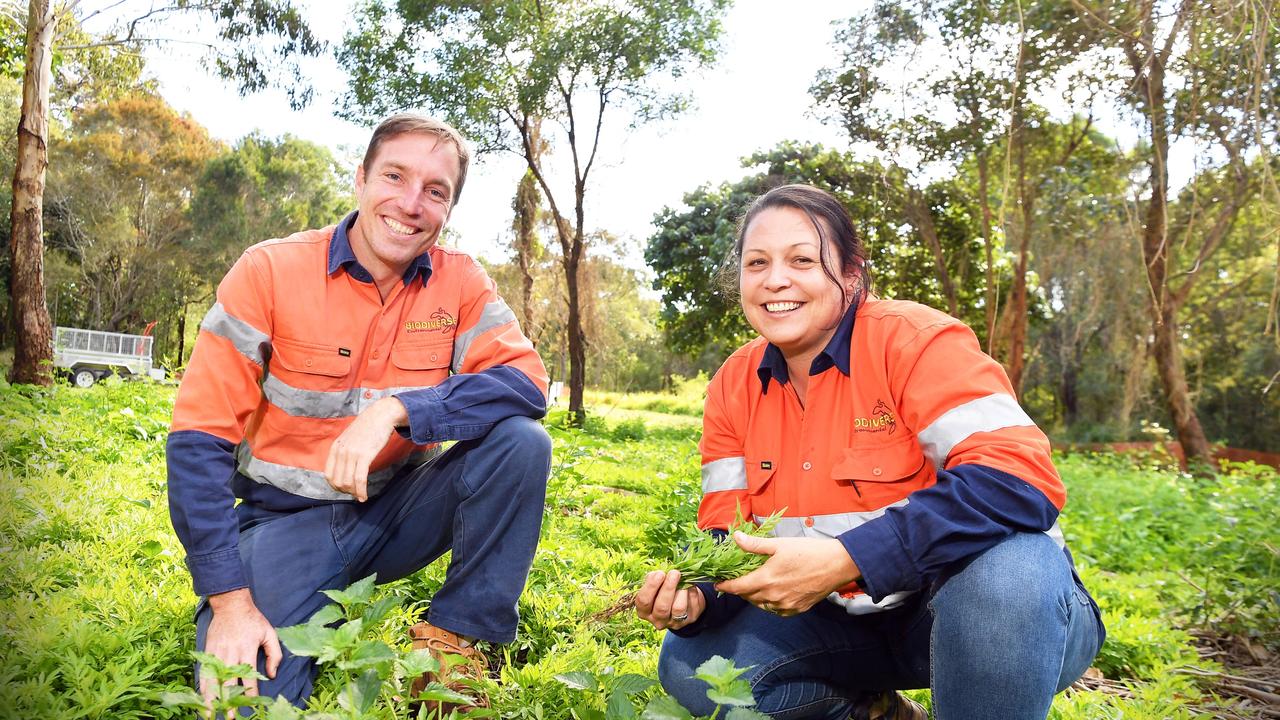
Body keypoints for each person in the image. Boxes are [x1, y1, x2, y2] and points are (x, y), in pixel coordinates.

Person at [633, 184, 1104, 720]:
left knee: (1008, 569)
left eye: (802, 260)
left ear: (852, 274)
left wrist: (848, 559)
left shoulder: (917, 342)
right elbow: (729, 536)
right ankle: (878, 713)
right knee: (691, 664)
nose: (774, 280)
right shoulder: (732, 385)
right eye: (756, 262)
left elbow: (1020, 482)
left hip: (996, 618)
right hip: (844, 625)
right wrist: (700, 600)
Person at [165, 113, 552, 709]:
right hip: (282, 524)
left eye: (435, 191)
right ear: (361, 180)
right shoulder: (269, 270)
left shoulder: (462, 281)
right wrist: (230, 602)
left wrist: (399, 408)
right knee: (250, 704)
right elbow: (198, 440)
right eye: (394, 177)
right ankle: (286, 594)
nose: (411, 203)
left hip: (396, 512)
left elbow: (527, 383)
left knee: (522, 443)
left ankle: (458, 642)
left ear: (448, 208)